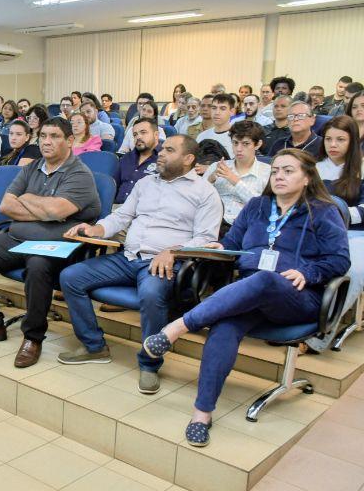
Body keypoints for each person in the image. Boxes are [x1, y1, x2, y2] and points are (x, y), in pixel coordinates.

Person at [141, 149, 350, 446]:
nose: (279, 176)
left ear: (307, 178)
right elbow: (233, 244)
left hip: (296, 296)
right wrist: (219, 247)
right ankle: (202, 414)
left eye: (288, 171)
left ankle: (177, 328)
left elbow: (340, 260)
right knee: (224, 327)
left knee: (266, 279)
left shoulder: (322, 210)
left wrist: (310, 271)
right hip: (251, 291)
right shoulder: (257, 206)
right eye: (275, 170)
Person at [57, 135, 222, 394]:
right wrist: (95, 228)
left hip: (162, 264)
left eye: (169, 150)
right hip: (129, 257)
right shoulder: (146, 183)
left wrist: (173, 251)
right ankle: (94, 346)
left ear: (189, 159)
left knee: (151, 292)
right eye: (162, 149)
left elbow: (206, 239)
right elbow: (121, 217)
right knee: (70, 276)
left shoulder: (205, 193)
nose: (161, 154)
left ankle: (149, 363)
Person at [0, 117, 100, 368]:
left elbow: (56, 211)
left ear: (69, 141)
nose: (46, 141)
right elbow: (6, 205)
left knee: (37, 268)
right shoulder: (31, 167)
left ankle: (32, 337)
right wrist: (45, 209)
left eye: (54, 136)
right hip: (18, 237)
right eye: (43, 135)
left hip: (57, 246)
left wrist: (27, 199)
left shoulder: (80, 174)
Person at [316, 115, 364, 320]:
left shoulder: (361, 167)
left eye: (340, 139)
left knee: (353, 270)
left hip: (354, 234)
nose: (332, 145)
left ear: (352, 141)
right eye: (328, 139)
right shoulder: (314, 168)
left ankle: (320, 334)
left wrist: (336, 215)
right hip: (316, 229)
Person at [204, 121, 271, 233]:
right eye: (235, 143)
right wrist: (210, 180)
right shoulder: (217, 166)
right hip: (213, 222)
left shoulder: (267, 172)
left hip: (246, 226)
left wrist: (235, 180)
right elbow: (197, 197)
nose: (238, 149)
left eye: (245, 144)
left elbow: (263, 207)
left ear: (258, 144)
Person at [115, 118, 160, 203]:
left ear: (156, 135)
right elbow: (114, 187)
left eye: (143, 132)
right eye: (135, 134)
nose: (138, 137)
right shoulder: (126, 158)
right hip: (118, 209)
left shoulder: (164, 159)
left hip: (147, 212)